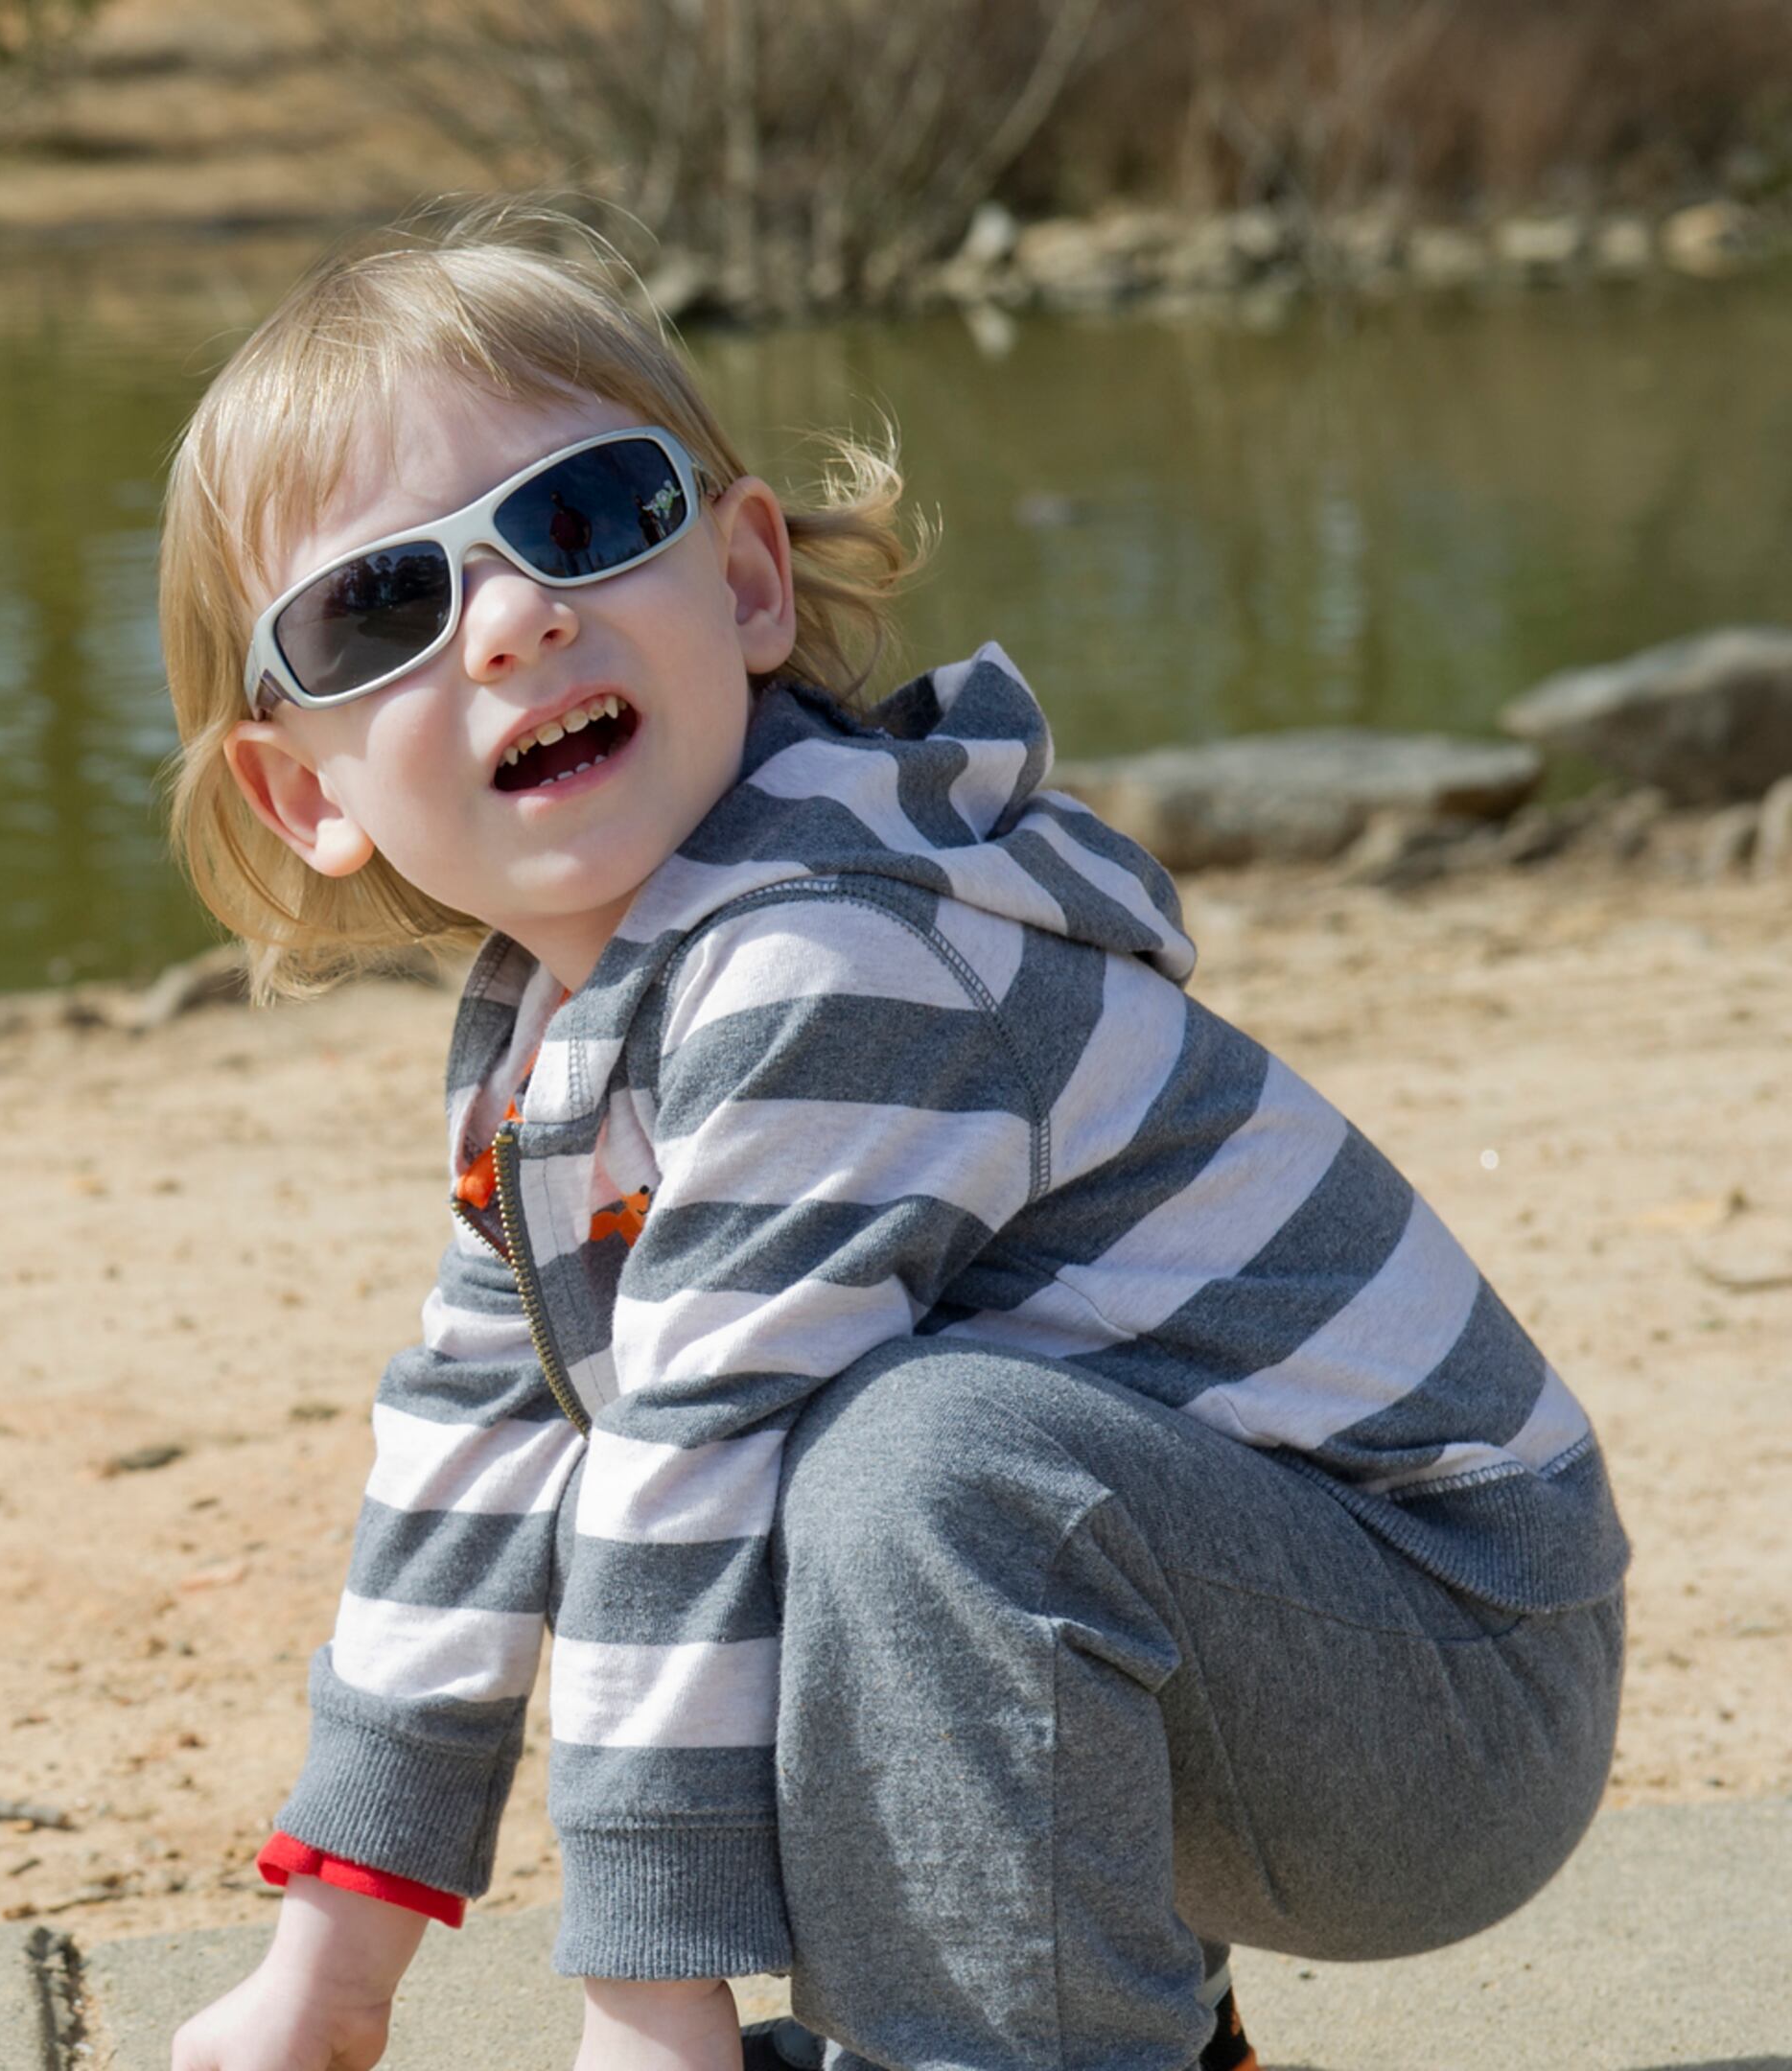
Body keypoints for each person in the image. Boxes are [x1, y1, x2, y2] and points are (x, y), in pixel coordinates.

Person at [154, 207, 1627, 2071]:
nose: (517, 615)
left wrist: (649, 2010)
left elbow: (683, 1474)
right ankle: (1065, 2014)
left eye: (589, 518)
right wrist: (329, 1970)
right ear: (303, 795)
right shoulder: (553, 1047)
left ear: (750, 580)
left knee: (884, 1467)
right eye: (384, 607)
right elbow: (469, 1452)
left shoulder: (828, 954)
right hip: (1221, 1622)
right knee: (837, 1461)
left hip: (1444, 1663)